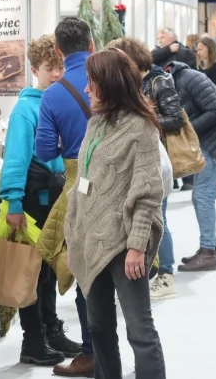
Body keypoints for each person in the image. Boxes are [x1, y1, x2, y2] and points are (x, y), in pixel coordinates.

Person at [65, 48, 166, 379]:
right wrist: (74, 232)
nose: (85, 89)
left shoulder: (142, 129)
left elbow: (148, 194)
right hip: (90, 242)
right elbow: (86, 183)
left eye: (91, 82)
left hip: (124, 247)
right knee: (99, 327)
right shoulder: (95, 124)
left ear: (108, 84)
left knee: (140, 330)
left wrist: (137, 246)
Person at [0, 35, 81, 366]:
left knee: (48, 267)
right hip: (32, 201)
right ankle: (33, 340)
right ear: (35, 70)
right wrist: (14, 202)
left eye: (61, 66)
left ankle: (52, 330)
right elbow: (16, 160)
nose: (57, 74)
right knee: (31, 271)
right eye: (50, 68)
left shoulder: (57, 101)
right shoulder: (25, 109)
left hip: (55, 199)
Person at [34, 18, 96, 378]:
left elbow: (43, 150)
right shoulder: (109, 80)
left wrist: (66, 146)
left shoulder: (53, 94)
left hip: (79, 185)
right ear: (91, 44)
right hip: (118, 181)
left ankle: (91, 353)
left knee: (84, 273)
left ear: (58, 50)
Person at [108, 38, 186, 300]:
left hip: (156, 159)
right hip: (136, 161)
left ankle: (166, 275)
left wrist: (143, 122)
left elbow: (176, 118)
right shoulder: (130, 85)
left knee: (158, 219)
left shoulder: (159, 80)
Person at [164, 58, 216, 272]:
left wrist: (187, 131)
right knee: (202, 194)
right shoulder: (175, 82)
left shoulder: (190, 78)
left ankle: (208, 251)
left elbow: (215, 111)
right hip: (215, 139)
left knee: (202, 194)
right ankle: (211, 248)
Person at [195, 37, 216, 199]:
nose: (198, 52)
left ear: (209, 49)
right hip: (208, 112)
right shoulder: (205, 66)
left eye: (201, 49)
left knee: (215, 151)